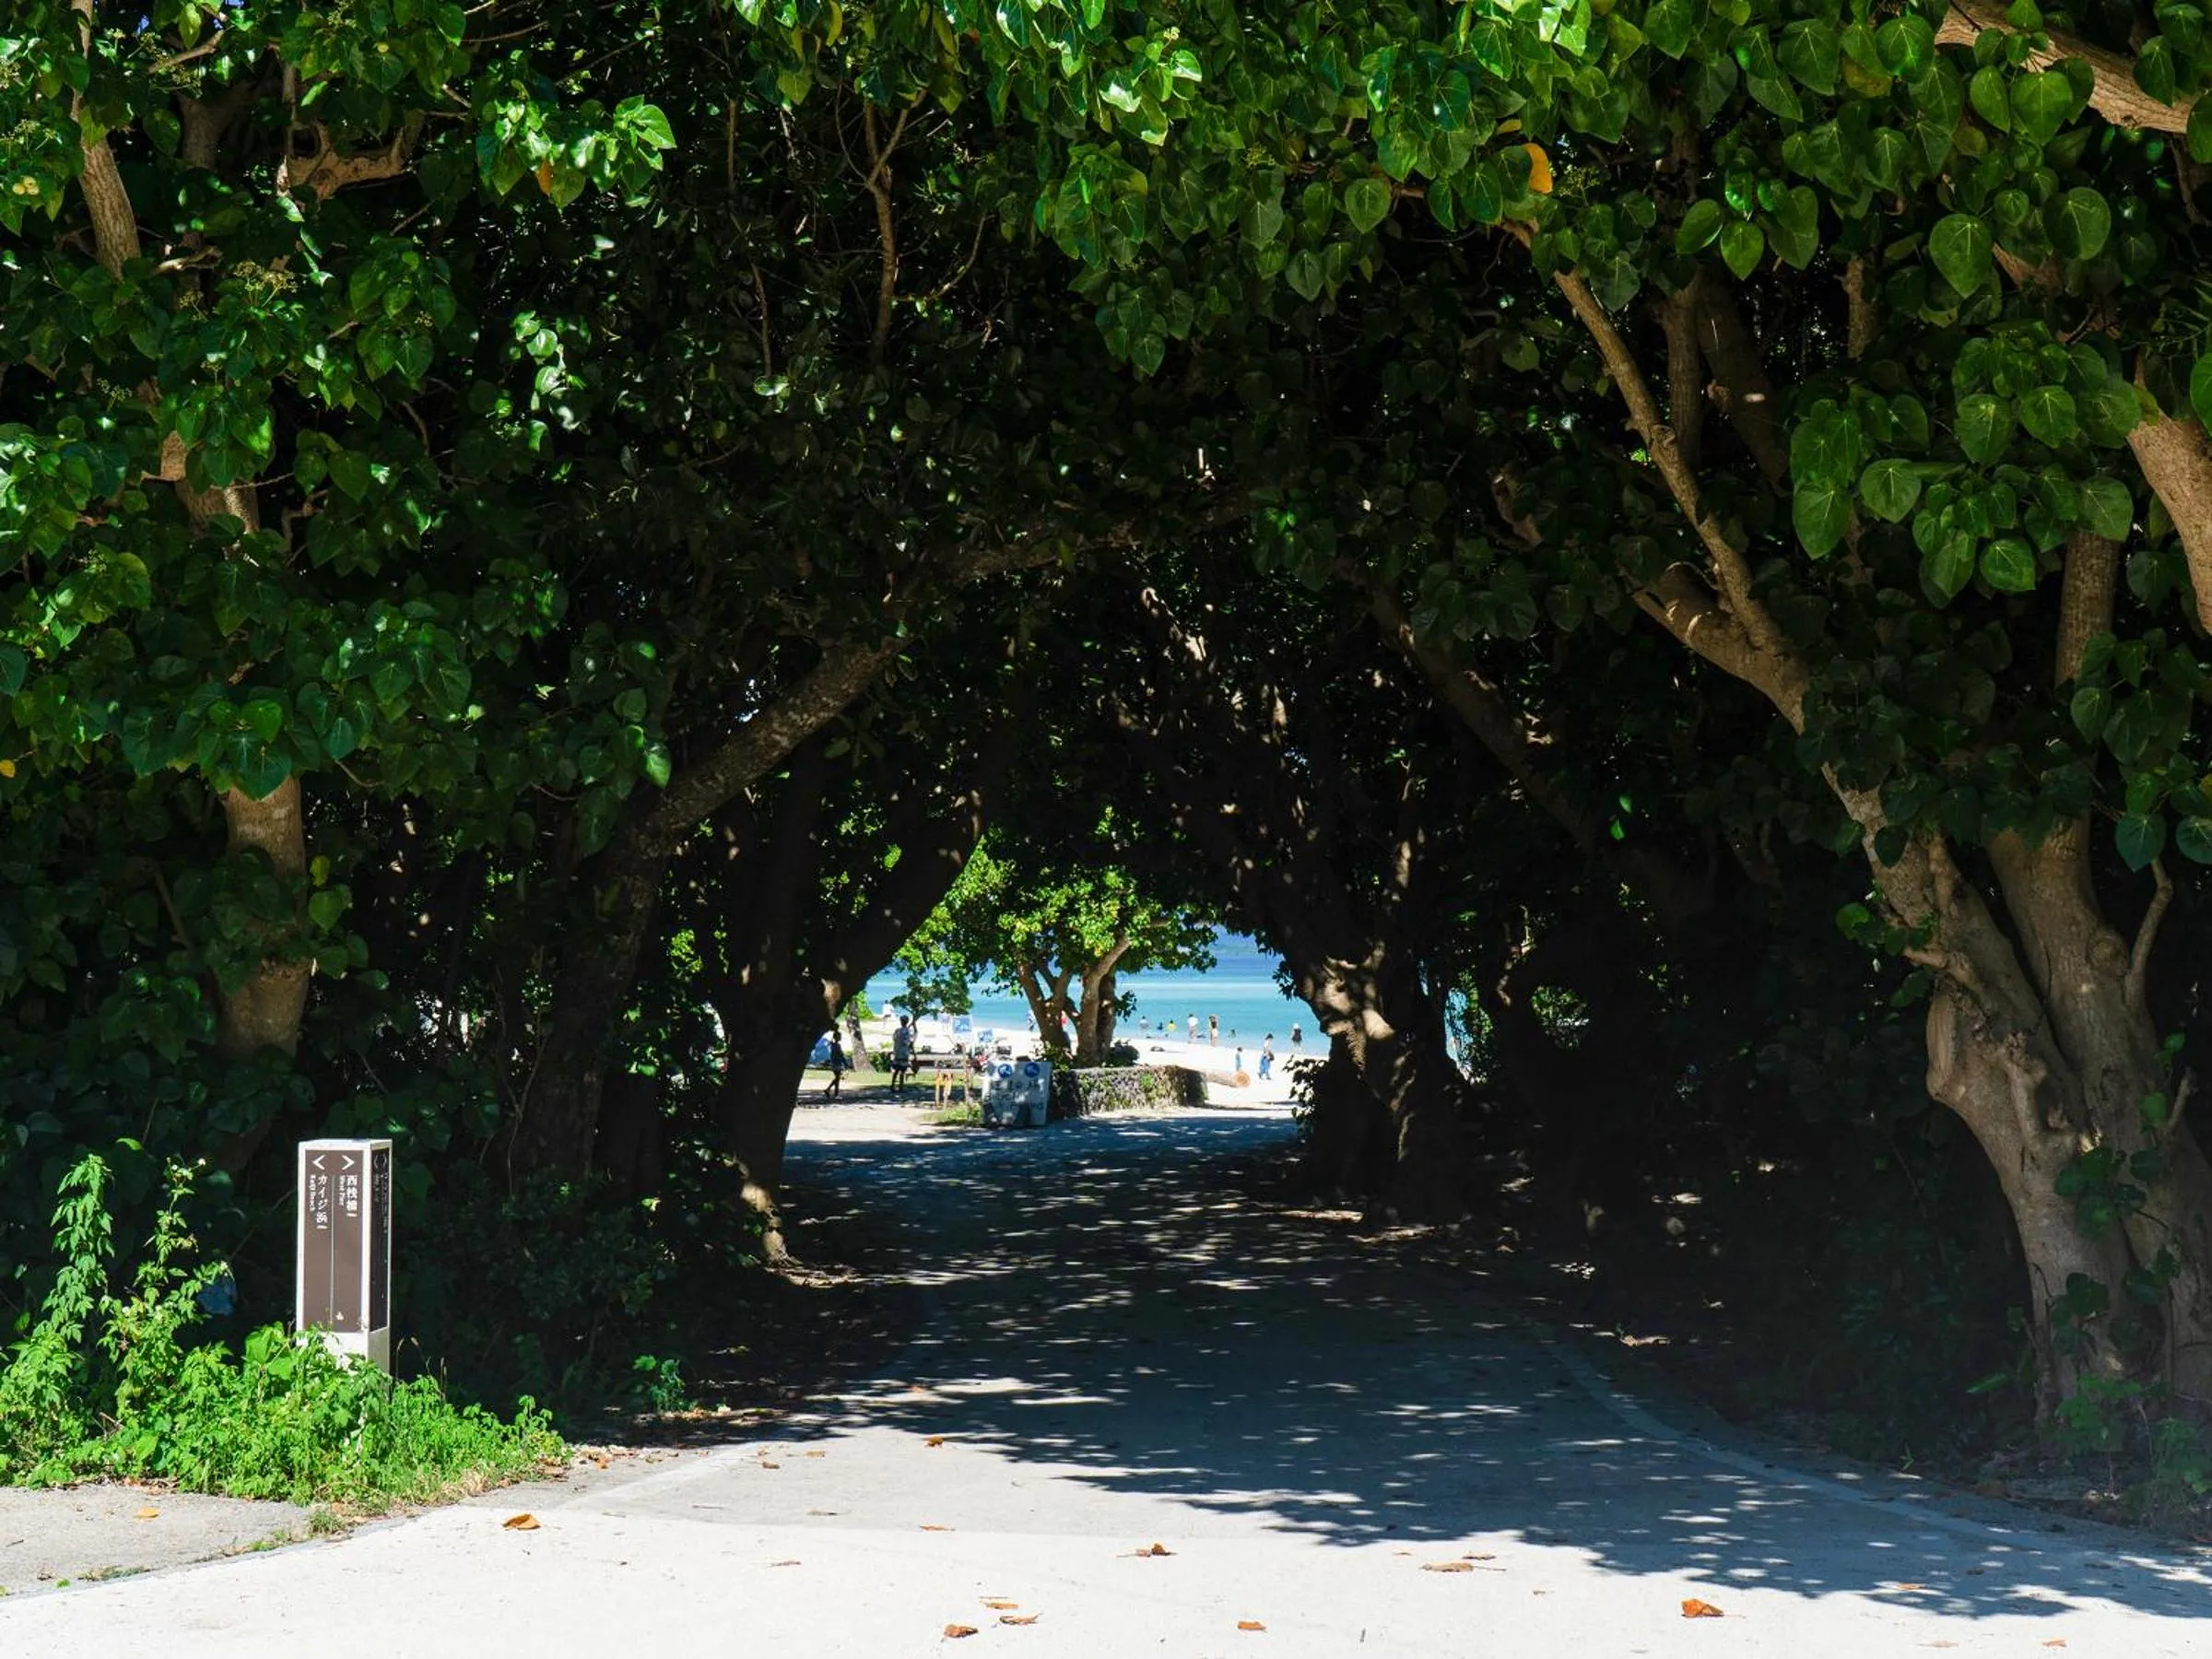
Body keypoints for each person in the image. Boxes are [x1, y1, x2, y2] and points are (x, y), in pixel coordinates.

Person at [890, 1014, 914, 1097]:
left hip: (897, 1052)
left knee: (896, 1070)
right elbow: (910, 1041)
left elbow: (894, 1039)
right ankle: (900, 1086)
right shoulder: (908, 1031)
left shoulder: (897, 1030)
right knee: (902, 1071)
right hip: (904, 1052)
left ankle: (893, 1085)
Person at [824, 1031, 848, 1100]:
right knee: (837, 1078)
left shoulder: (833, 1045)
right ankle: (831, 1091)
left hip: (834, 1063)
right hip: (836, 1063)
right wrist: (845, 1063)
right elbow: (841, 1055)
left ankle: (833, 1093)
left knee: (837, 1078)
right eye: (839, 1036)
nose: (841, 1037)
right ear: (836, 1037)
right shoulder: (837, 1045)